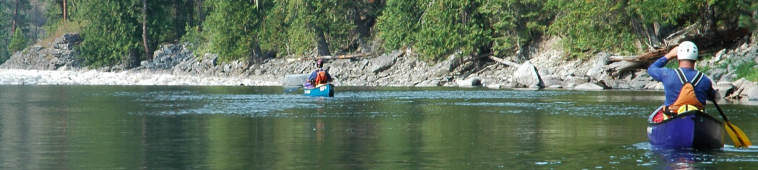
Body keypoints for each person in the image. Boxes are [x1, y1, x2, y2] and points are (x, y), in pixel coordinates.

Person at [647, 41, 716, 122]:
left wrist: (669, 55)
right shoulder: (705, 80)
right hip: (697, 120)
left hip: (672, 118)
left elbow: (651, 69)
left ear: (677, 58)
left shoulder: (667, 74)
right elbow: (711, 97)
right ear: (695, 59)